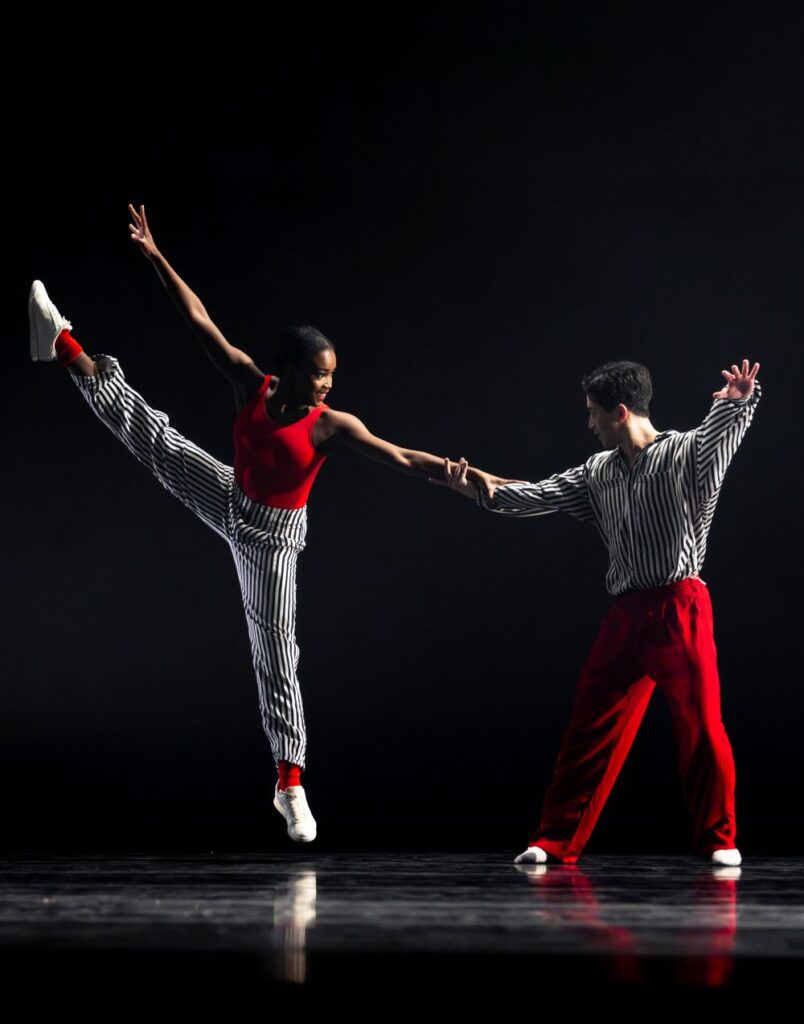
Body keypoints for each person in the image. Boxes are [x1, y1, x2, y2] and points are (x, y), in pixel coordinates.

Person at [29, 202, 461, 844]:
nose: (327, 387)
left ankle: (289, 781)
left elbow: (397, 456)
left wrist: (449, 470)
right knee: (156, 441)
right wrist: (154, 256)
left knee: (275, 649)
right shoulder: (250, 385)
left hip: (273, 541)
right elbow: (197, 318)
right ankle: (63, 346)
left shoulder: (329, 426)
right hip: (232, 497)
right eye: (319, 375)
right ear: (287, 369)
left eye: (331, 378)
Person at [438, 358, 761, 866]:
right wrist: (480, 489)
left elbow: (717, 436)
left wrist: (738, 401)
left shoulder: (684, 455)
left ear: (622, 412)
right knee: (589, 729)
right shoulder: (598, 472)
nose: (588, 424)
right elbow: (538, 494)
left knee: (700, 726)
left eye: (594, 414)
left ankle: (720, 840)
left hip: (679, 607)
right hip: (626, 615)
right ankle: (553, 841)